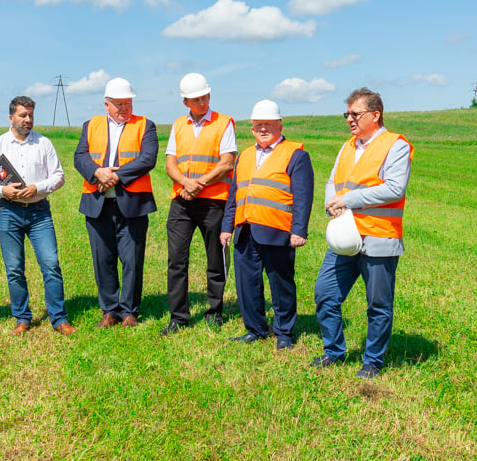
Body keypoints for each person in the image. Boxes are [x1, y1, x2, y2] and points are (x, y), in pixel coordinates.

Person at [310, 88, 413, 379]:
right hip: (345, 237)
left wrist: (347, 201)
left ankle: (373, 361)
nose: (349, 120)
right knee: (325, 293)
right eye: (347, 114)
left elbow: (395, 188)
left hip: (379, 238)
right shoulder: (348, 146)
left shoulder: (396, 145)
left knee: (378, 305)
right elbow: (333, 180)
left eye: (355, 114)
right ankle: (334, 352)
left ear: (375, 115)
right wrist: (333, 202)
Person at [220, 99, 314, 350]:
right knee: (246, 282)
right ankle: (255, 328)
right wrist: (227, 226)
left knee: (280, 282)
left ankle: (284, 332)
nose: (263, 128)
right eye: (258, 124)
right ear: (251, 128)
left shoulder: (296, 154)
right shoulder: (245, 156)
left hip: (277, 230)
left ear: (279, 125)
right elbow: (234, 194)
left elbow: (303, 197)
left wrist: (299, 230)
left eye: (268, 124)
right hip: (245, 228)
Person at [0, 96, 75, 336]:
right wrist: (3, 190)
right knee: (14, 268)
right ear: (11, 117)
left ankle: (59, 318)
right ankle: (22, 318)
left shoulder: (44, 144)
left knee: (51, 264)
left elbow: (58, 176)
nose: (28, 119)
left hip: (39, 211)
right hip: (8, 211)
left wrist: (37, 187)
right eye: (23, 115)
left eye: (31, 115)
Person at [74, 78, 158, 328]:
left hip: (132, 204)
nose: (124, 108)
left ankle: (129, 311)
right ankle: (109, 310)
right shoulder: (91, 125)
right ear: (106, 104)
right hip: (97, 203)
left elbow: (147, 159)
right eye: (119, 104)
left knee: (132, 259)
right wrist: (97, 173)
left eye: (128, 103)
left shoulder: (146, 125)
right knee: (103, 259)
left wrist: (115, 176)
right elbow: (80, 156)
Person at [161, 73, 237, 335]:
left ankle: (214, 311)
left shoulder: (224, 123)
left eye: (205, 97)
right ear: (186, 102)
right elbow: (170, 162)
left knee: (216, 260)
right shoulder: (178, 125)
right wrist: (185, 183)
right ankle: (178, 317)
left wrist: (198, 184)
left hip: (213, 202)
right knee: (176, 260)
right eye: (196, 99)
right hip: (181, 201)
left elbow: (227, 163)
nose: (202, 102)